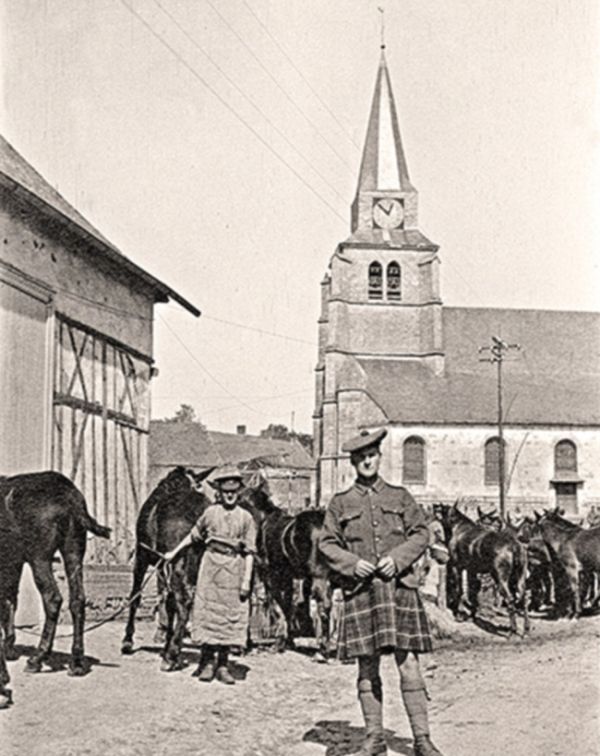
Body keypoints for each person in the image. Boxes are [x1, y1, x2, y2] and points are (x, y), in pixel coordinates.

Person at [318, 429, 444, 756]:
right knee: (367, 665)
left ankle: (422, 739)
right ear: (353, 462)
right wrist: (351, 563)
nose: (366, 461)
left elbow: (421, 533)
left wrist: (397, 559)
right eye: (360, 458)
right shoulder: (340, 503)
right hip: (362, 591)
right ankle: (374, 739)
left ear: (379, 457)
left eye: (371, 455)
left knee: (409, 662)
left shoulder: (400, 496)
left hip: (399, 588)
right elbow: (327, 543)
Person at [164, 466, 257, 684]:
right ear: (219, 493)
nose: (230, 495)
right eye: (226, 492)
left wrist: (246, 581)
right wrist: (173, 552)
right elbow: (193, 536)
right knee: (208, 614)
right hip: (210, 567)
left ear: (239, 492)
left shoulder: (246, 518)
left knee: (227, 616)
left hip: (235, 568)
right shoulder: (210, 514)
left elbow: (250, 552)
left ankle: (223, 665)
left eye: (234, 491)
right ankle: (206, 663)